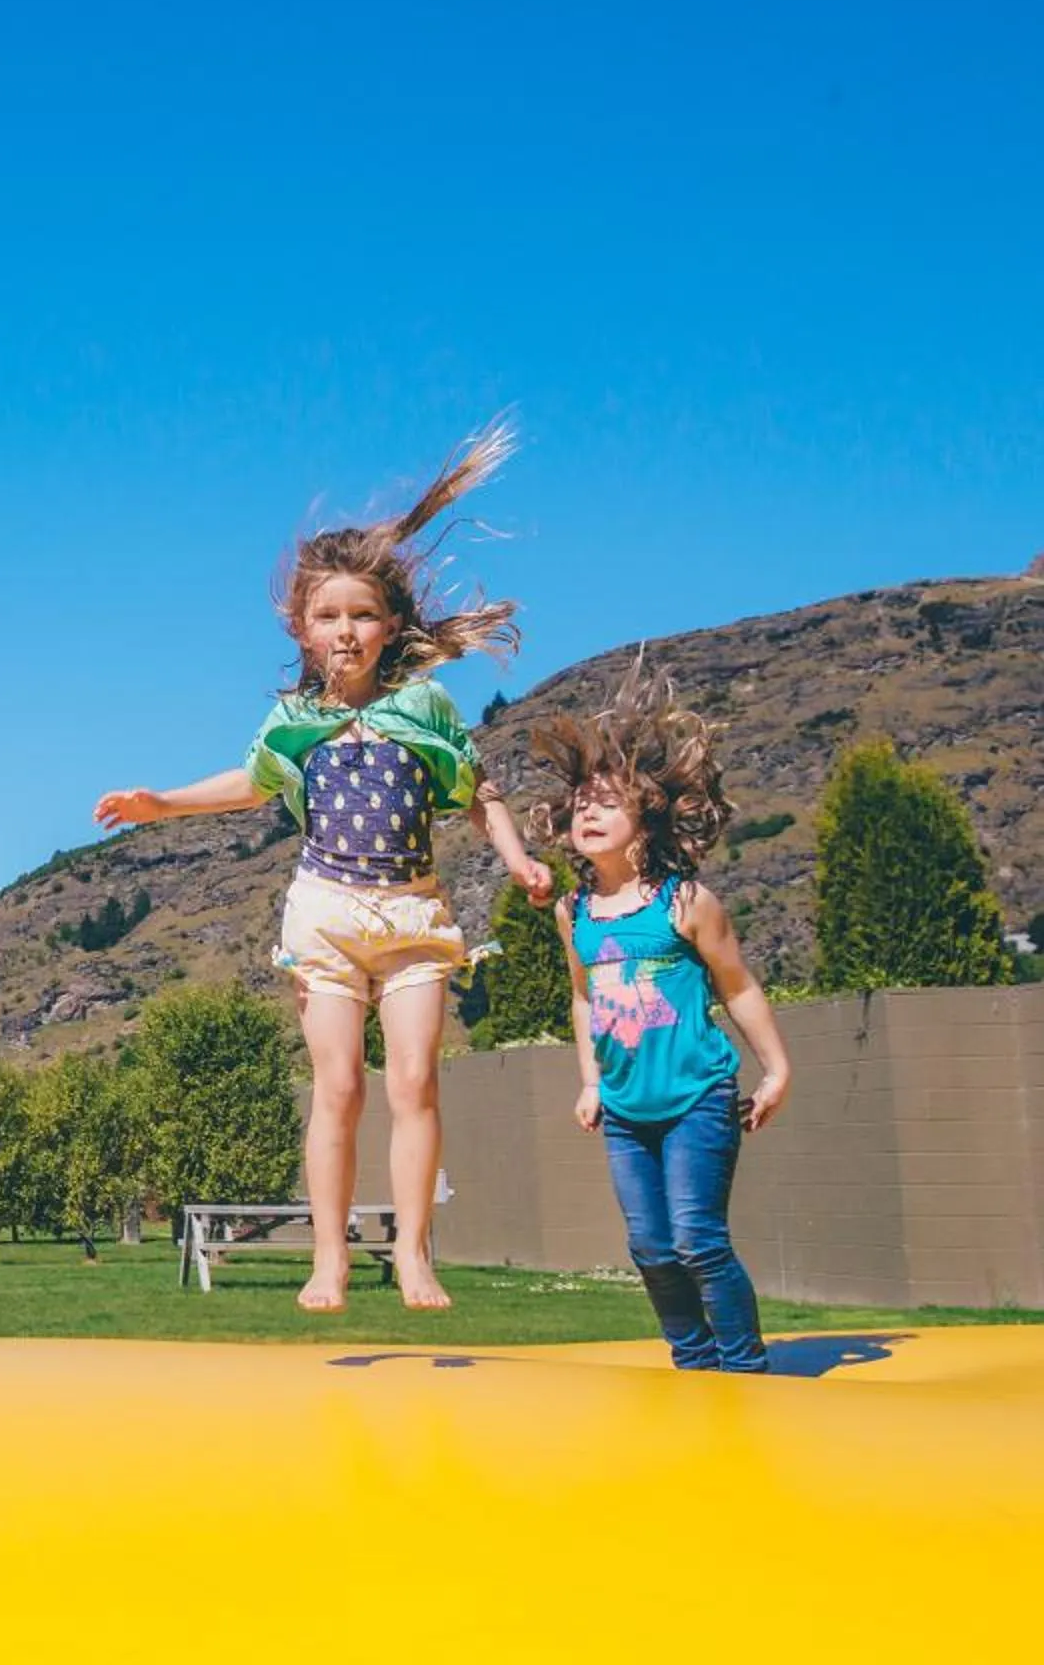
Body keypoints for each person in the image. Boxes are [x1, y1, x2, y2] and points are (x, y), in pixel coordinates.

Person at [93, 422, 551, 1310]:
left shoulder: (425, 706)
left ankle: (415, 1254)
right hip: (327, 916)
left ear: (390, 626)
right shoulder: (293, 722)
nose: (346, 629)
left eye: (363, 614)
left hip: (415, 918)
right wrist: (161, 803)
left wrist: (521, 862)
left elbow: (482, 790)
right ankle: (330, 1258)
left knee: (415, 1079)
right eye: (328, 615)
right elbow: (248, 783)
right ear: (303, 629)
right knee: (337, 1086)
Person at [530, 660, 791, 1372]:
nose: (587, 812)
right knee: (648, 1246)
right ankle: (692, 1361)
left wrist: (777, 1069)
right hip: (624, 1105)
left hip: (696, 1096)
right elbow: (583, 998)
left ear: (644, 817)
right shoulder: (573, 913)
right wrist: (589, 1082)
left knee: (698, 1240)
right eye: (581, 802)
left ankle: (742, 1364)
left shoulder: (685, 902)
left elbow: (737, 986)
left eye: (606, 803)